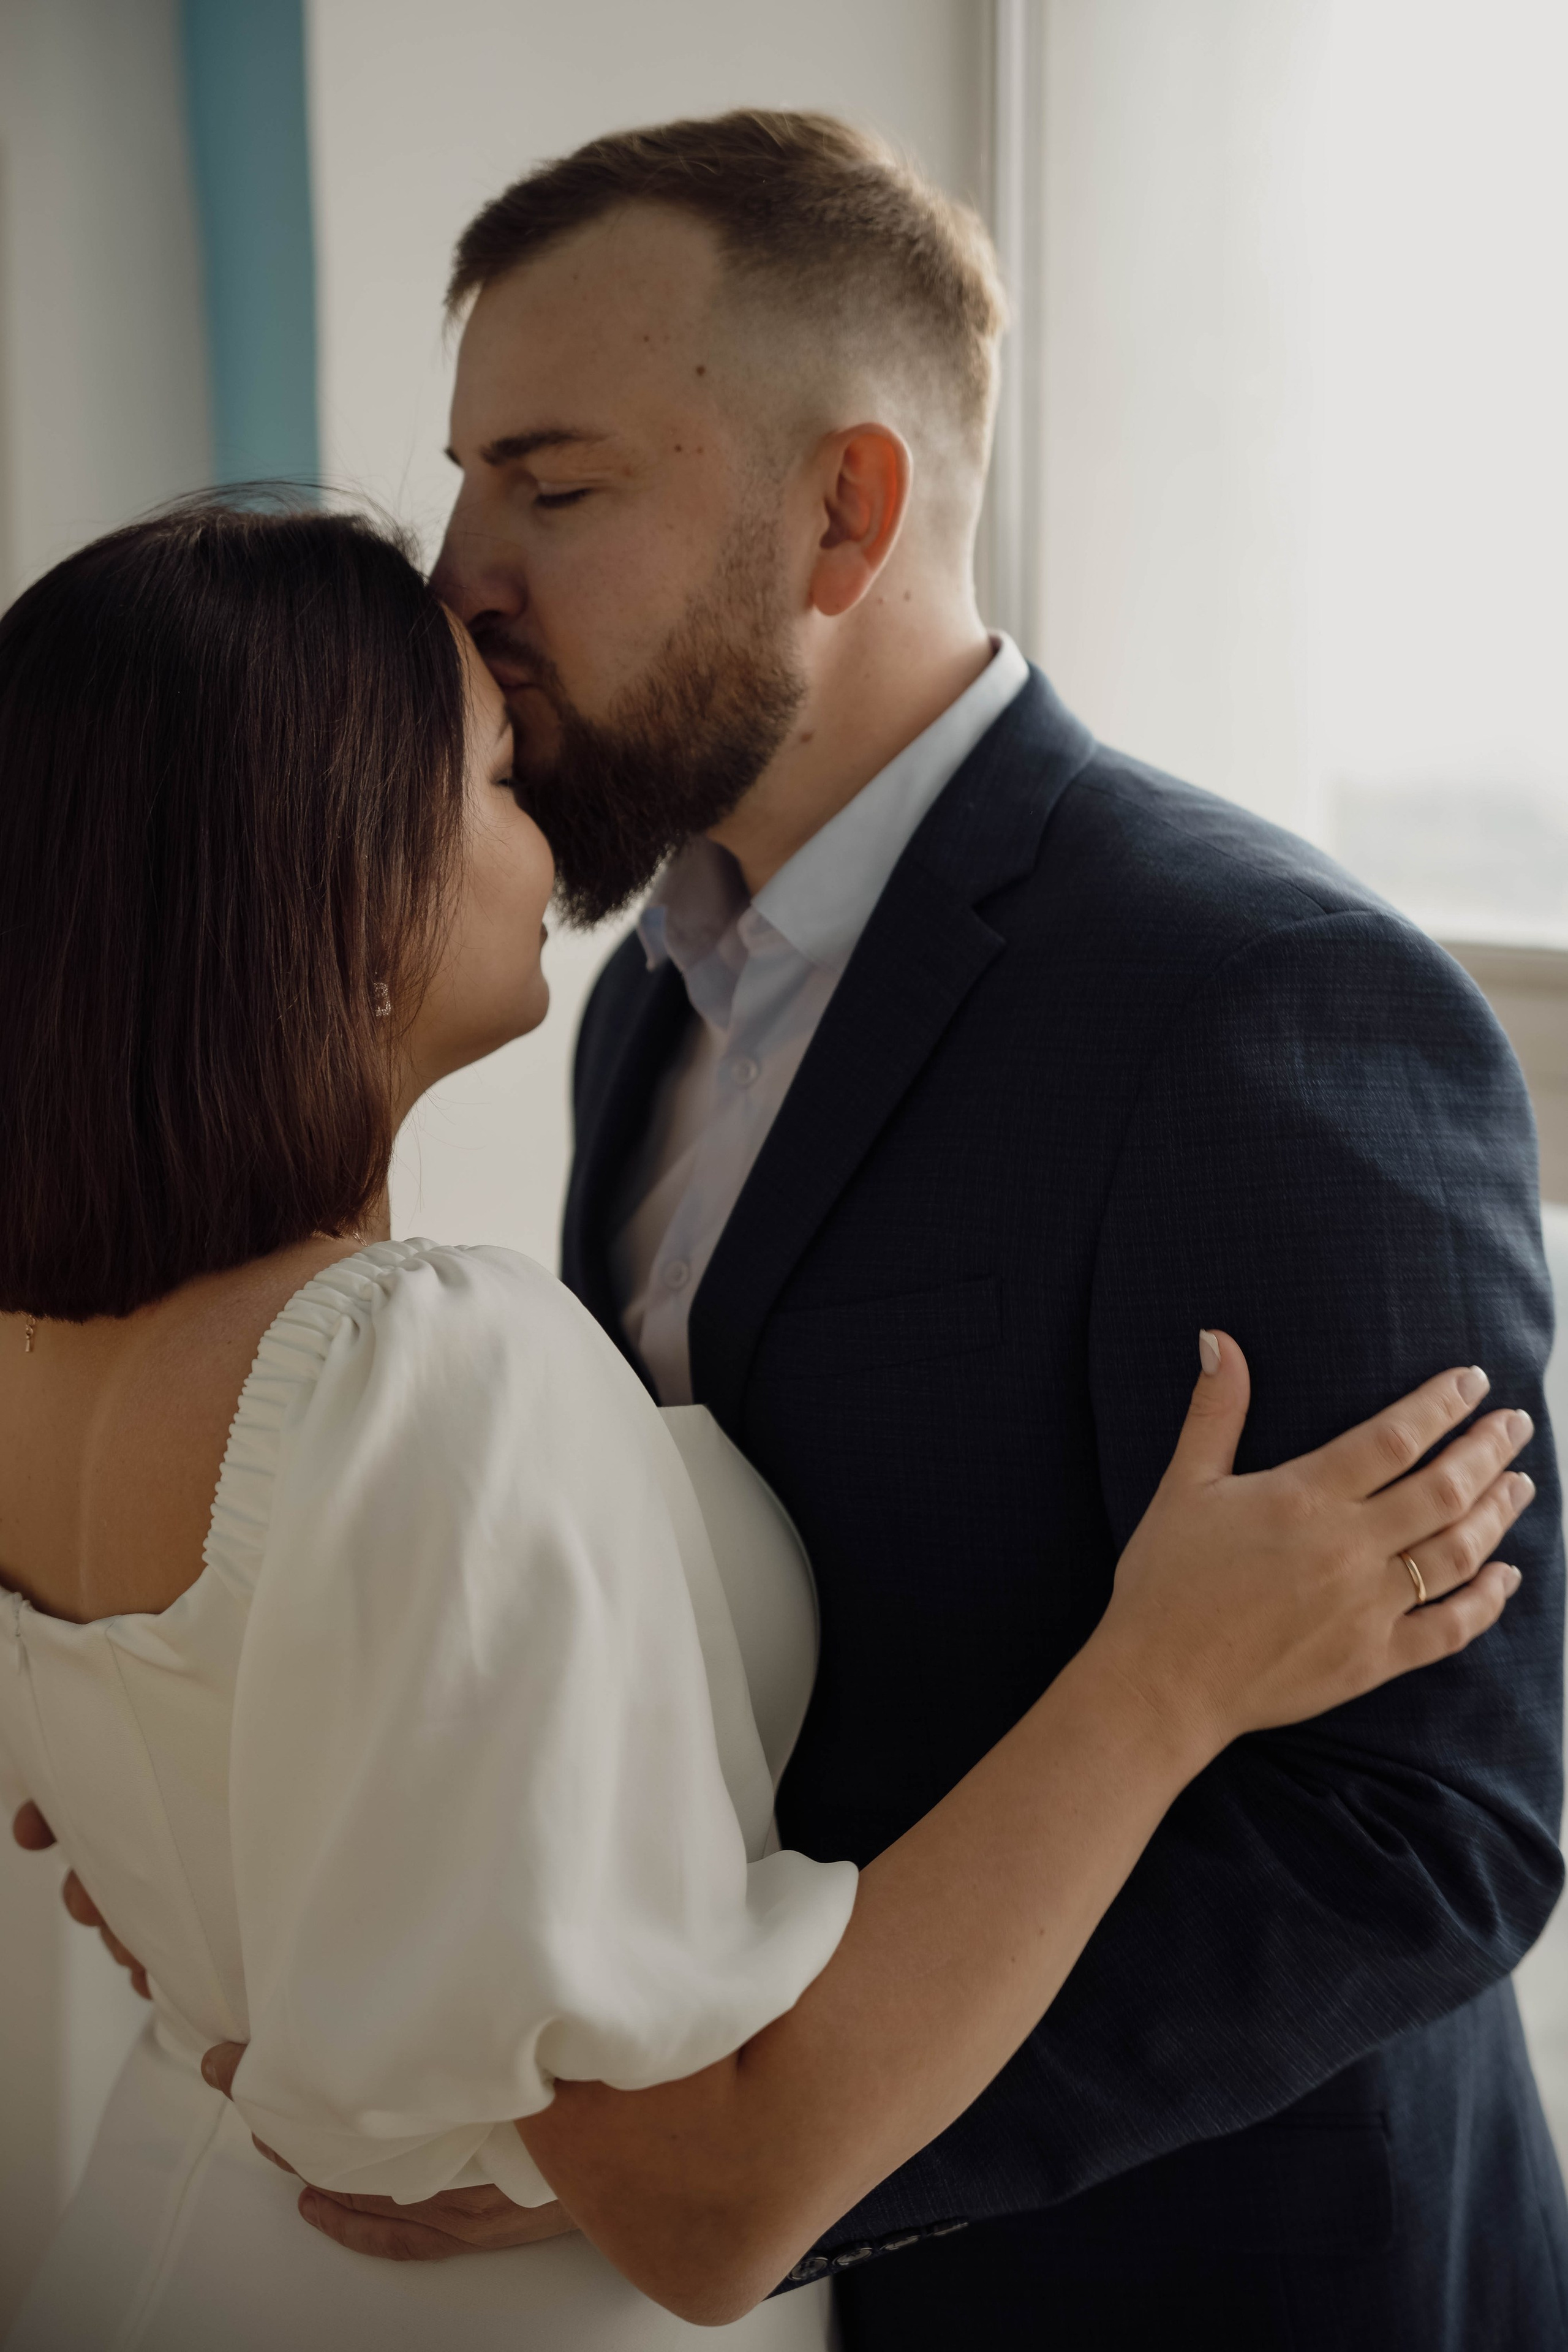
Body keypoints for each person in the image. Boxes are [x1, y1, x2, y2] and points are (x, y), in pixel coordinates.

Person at [0, 503, 1536, 2352]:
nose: (545, 834)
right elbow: (707, 2202)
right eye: (493, 783)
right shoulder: (425, 1360)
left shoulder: (38, 1354)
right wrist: (1165, 1680)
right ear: (333, 869)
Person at [412, 111, 1563, 2346]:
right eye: (464, 480)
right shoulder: (635, 1000)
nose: (462, 569)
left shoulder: (1263, 998)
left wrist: (760, 2158)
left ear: (845, 512)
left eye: (551, 489)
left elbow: (1433, 1822)